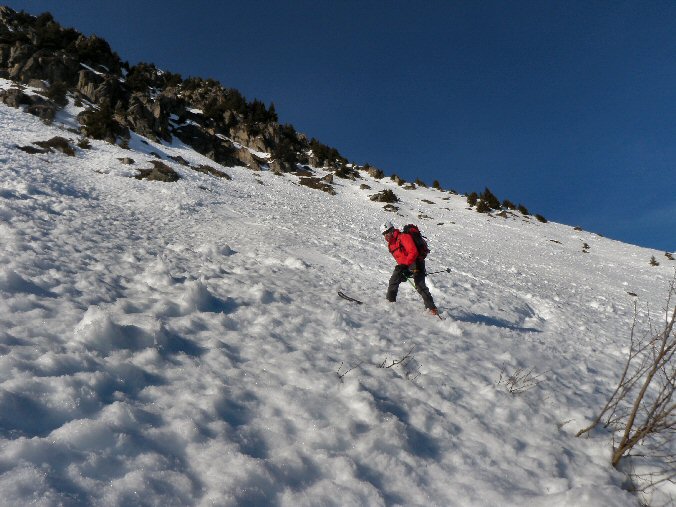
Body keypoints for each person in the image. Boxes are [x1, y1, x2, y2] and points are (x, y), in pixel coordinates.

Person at [381, 221, 438, 315]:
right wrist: (402, 267)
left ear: (392, 230)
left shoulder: (403, 237)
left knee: (420, 285)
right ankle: (390, 303)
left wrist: (405, 265)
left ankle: (432, 309)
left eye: (387, 232)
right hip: (405, 266)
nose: (386, 235)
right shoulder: (391, 244)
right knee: (393, 280)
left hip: (416, 263)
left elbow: (413, 252)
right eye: (384, 234)